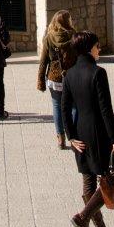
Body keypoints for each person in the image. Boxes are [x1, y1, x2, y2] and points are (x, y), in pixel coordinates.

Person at [62, 31, 114, 227]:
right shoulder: (98, 73)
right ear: (90, 49)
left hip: (80, 133)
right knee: (107, 180)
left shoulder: (69, 74)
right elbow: (106, 110)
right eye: (97, 46)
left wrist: (70, 136)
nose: (99, 50)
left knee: (88, 179)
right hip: (98, 133)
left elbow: (64, 108)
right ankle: (83, 216)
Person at [37, 9, 76, 148]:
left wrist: (40, 81)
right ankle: (74, 135)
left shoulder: (49, 37)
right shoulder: (74, 36)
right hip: (72, 76)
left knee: (57, 106)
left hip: (54, 76)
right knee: (73, 106)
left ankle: (60, 138)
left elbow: (43, 61)